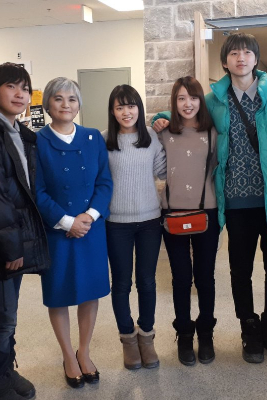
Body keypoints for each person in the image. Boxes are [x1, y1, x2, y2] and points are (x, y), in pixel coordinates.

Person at [153, 33, 267, 363]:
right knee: (239, 271)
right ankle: (249, 328)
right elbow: (185, 111)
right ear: (225, 61)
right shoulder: (214, 101)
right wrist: (162, 117)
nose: (240, 57)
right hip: (236, 203)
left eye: (247, 52)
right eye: (233, 53)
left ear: (256, 59)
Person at [0, 63, 50, 400]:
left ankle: (4, 371)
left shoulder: (14, 130)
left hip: (8, 238)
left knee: (7, 315)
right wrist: (11, 247)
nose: (20, 95)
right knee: (1, 318)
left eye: (25, 89)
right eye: (11, 87)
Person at [35, 77, 112, 389]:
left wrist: (88, 217)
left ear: (79, 105)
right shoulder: (37, 141)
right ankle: (68, 355)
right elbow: (37, 191)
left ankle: (84, 351)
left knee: (89, 292)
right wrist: (68, 222)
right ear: (47, 104)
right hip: (57, 231)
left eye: (72, 99)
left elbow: (104, 183)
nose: (65, 105)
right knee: (59, 293)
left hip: (91, 230)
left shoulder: (93, 137)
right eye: (58, 98)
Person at [158, 76, 220, 366]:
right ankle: (184, 333)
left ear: (201, 100)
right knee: (181, 278)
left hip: (207, 212)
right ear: (174, 102)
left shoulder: (213, 132)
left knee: (205, 277)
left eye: (193, 97)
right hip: (172, 214)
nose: (187, 103)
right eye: (181, 98)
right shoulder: (163, 132)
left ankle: (206, 332)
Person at [104, 84, 166, 370]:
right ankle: (128, 339)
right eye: (120, 107)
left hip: (150, 221)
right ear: (112, 111)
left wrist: (167, 129)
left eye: (131, 106)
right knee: (121, 282)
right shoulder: (104, 140)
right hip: (116, 223)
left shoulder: (150, 137)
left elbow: (163, 171)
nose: (126, 112)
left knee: (147, 281)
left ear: (139, 108)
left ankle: (147, 336)